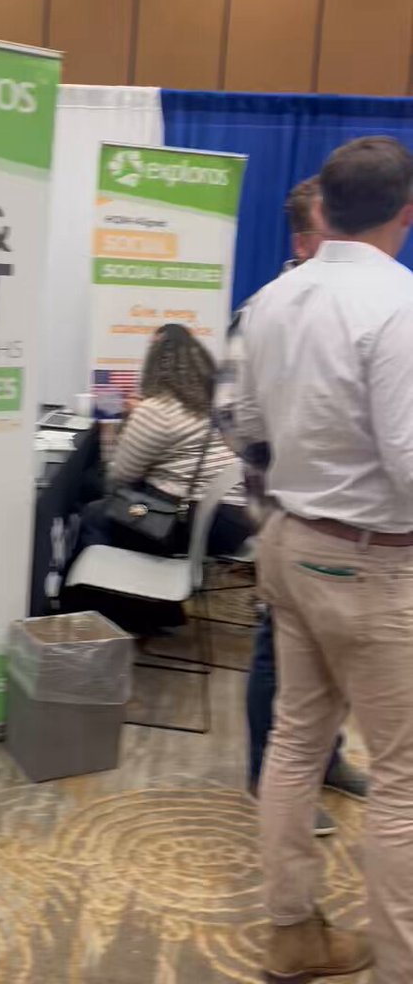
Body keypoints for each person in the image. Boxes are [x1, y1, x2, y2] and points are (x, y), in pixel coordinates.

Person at [231, 136, 413, 983]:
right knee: (403, 779)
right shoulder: (397, 305)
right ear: (404, 213)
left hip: (290, 542)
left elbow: (247, 427)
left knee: (295, 743)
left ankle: (293, 931)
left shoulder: (270, 299)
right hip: (371, 564)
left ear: (324, 209)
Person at [217, 177, 367, 839]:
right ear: (303, 241)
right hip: (282, 513)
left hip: (345, 521)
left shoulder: (356, 308)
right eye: (333, 232)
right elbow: (230, 416)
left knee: (331, 658)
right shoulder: (263, 312)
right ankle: (265, 775)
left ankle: (327, 759)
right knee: (275, 651)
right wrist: (296, 461)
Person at [80, 323, 254, 561]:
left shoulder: (156, 410)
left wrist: (118, 426)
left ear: (154, 365)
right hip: (235, 520)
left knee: (93, 512)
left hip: (194, 523)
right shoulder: (214, 403)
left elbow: (119, 478)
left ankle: (101, 582)